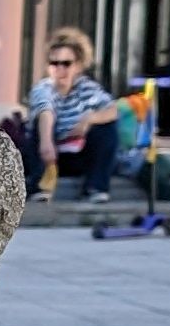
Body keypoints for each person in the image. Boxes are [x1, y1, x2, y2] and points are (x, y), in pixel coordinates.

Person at [7, 26, 123, 202]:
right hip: (48, 154)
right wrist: (46, 143)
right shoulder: (43, 88)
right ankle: (40, 186)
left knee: (107, 127)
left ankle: (96, 187)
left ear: (78, 65)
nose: (60, 69)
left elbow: (112, 109)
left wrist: (89, 119)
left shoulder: (86, 87)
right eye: (54, 63)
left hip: (76, 154)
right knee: (42, 124)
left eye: (66, 63)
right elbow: (46, 110)